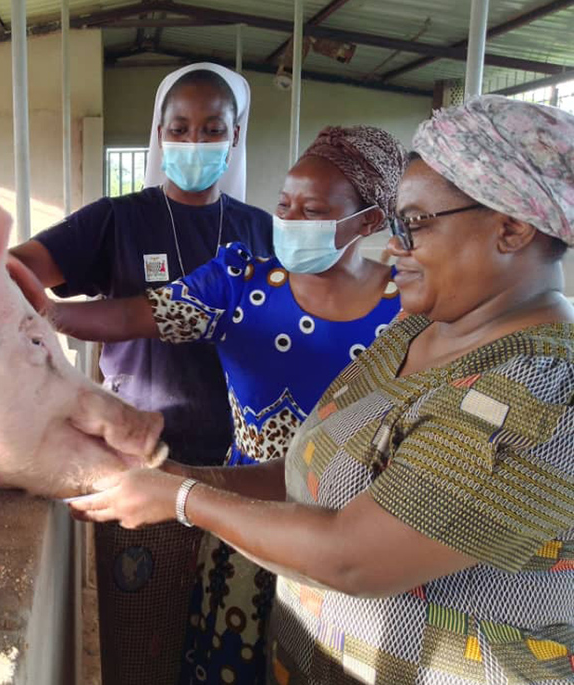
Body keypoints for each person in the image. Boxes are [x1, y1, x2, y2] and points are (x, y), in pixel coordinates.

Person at [63, 95, 574, 685]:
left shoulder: (541, 391)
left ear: (511, 228)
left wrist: (182, 502)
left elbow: (354, 557)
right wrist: (179, 475)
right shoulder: (418, 330)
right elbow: (313, 473)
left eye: (413, 225)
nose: (395, 249)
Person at [14, 125, 408, 684]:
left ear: (367, 222)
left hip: (353, 523)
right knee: (232, 659)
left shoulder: (408, 311)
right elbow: (131, 316)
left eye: (313, 210)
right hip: (242, 515)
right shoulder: (240, 279)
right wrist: (28, 311)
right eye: (284, 204)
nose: (290, 222)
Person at [11, 63, 272, 685]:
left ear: (235, 137)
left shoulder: (259, 229)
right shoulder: (118, 220)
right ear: (160, 134)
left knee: (231, 629)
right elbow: (22, 271)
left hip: (244, 463)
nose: (195, 142)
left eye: (213, 129)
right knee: (140, 624)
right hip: (140, 456)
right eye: (180, 128)